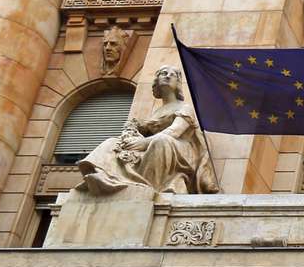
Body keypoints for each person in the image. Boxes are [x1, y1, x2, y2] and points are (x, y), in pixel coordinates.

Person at [77, 65, 219, 195]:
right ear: (156, 81)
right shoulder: (156, 112)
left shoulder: (185, 108)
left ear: (178, 83)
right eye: (163, 73)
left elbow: (175, 132)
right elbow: (141, 129)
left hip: (180, 150)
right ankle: (103, 176)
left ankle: (143, 186)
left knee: (161, 140)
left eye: (173, 75)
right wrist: (131, 135)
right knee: (112, 142)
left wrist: (144, 142)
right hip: (156, 148)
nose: (168, 76)